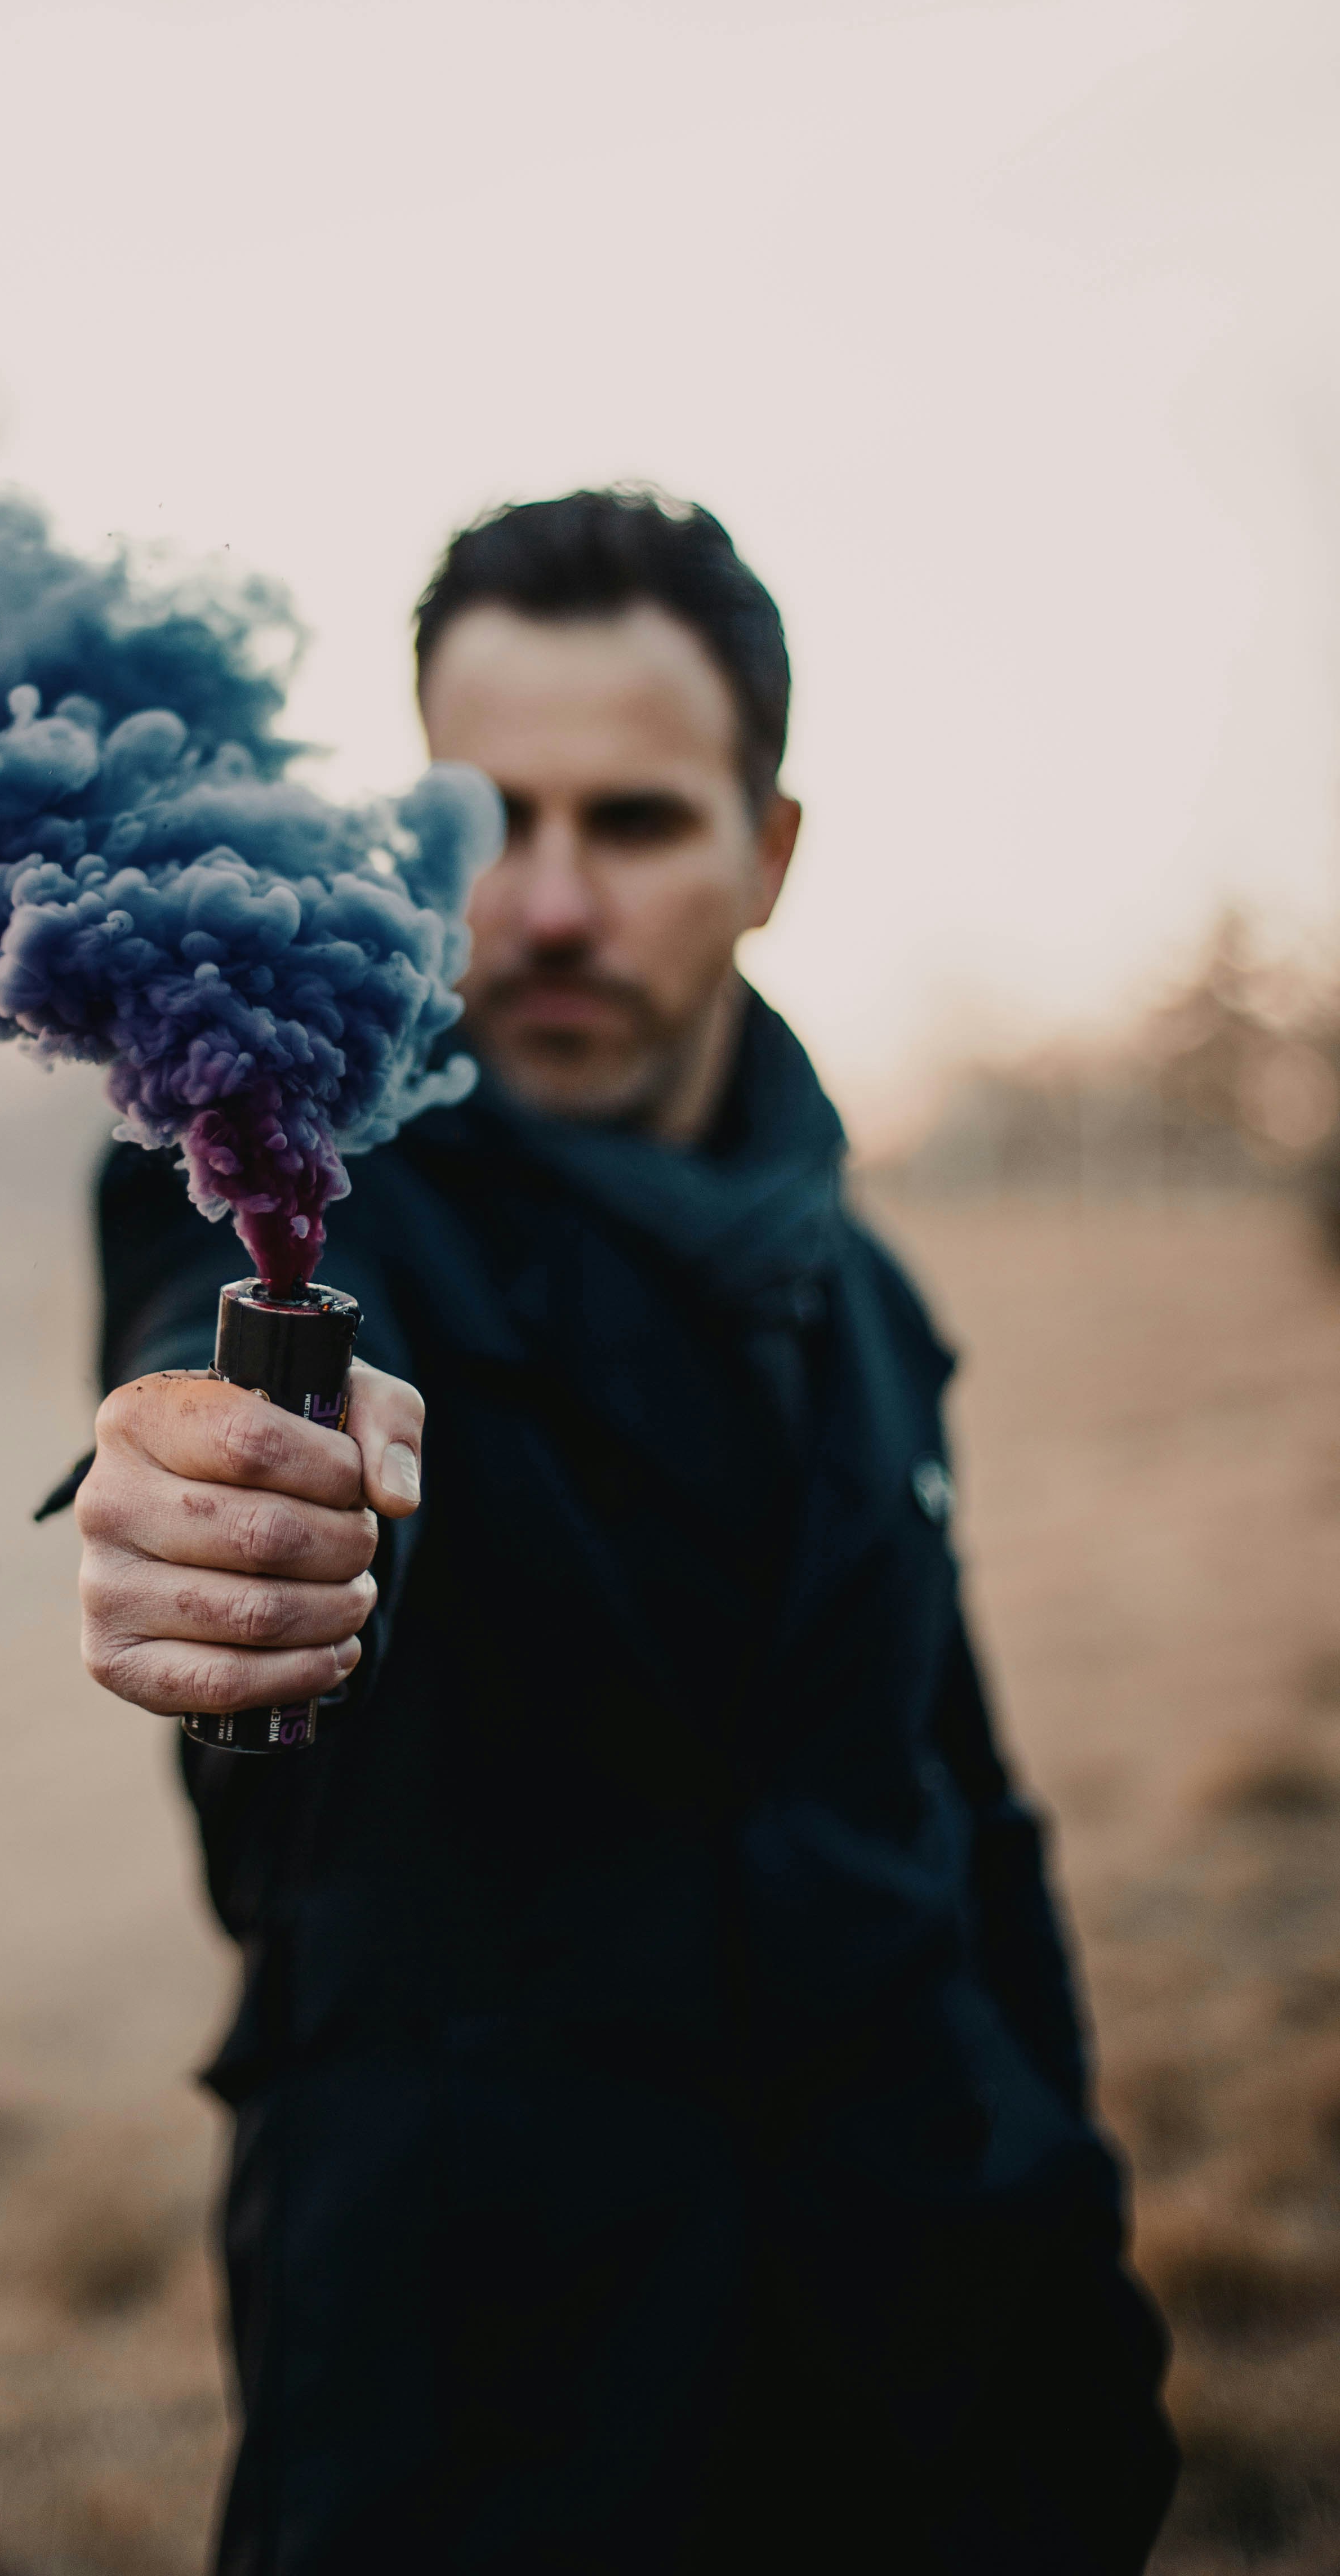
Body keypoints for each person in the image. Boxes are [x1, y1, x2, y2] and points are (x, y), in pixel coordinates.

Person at [73, 489, 1177, 2574]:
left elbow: (965, 1819)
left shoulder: (862, 1291)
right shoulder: (298, 1194)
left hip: (938, 2398)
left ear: (770, 855)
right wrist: (210, 1486)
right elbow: (215, 1393)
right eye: (486, 826)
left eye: (639, 823)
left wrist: (1068, 2278)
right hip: (488, 2436)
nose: (551, 904)